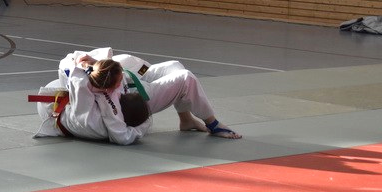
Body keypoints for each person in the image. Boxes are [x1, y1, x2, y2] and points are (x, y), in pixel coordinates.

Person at [35, 48, 241, 144]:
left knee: (172, 66)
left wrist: (86, 61)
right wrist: (144, 123)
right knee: (185, 78)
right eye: (119, 80)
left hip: (56, 105)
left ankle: (186, 119)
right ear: (113, 88)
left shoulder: (82, 80)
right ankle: (213, 124)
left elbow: (69, 63)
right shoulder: (109, 107)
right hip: (131, 105)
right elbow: (122, 136)